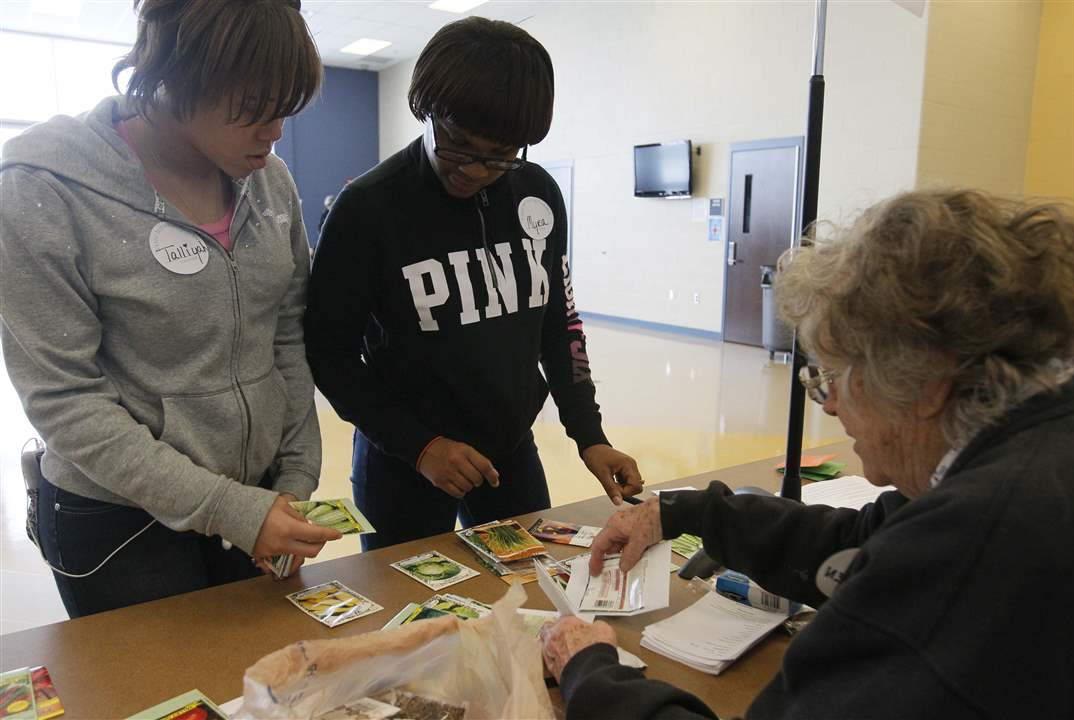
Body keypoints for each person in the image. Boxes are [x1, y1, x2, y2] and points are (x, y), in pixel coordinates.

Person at [539, 189, 1074, 719]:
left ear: (926, 381)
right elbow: (863, 545)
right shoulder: (1026, 447)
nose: (832, 404)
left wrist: (589, 673)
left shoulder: (978, 539)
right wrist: (684, 512)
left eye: (838, 375)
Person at [0, 0, 339, 618]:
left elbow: (286, 337)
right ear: (178, 75)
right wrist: (233, 511)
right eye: (257, 109)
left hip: (256, 494)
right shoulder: (42, 186)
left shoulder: (271, 180)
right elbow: (65, 400)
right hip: (118, 519)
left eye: (286, 110)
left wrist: (293, 481)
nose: (276, 131)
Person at [305, 17, 643, 550]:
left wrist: (590, 435)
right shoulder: (367, 209)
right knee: (413, 613)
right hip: (406, 460)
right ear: (426, 110)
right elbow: (330, 355)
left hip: (508, 449)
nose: (475, 170)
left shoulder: (537, 195)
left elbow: (559, 323)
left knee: (529, 587)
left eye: (500, 155)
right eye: (456, 145)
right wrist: (420, 447)